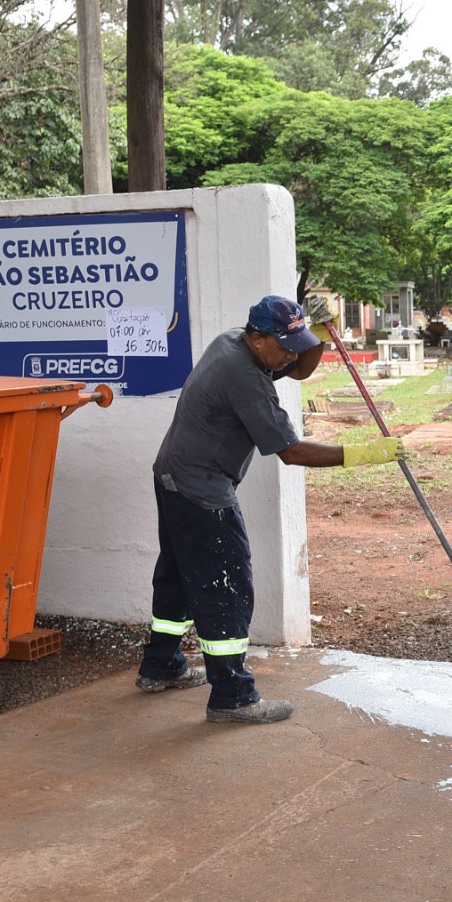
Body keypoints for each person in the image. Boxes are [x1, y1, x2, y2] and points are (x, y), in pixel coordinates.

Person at [135, 295, 403, 724]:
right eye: (286, 345)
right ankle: (232, 697)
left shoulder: (235, 342)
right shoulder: (244, 377)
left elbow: (298, 368)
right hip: (200, 490)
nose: (292, 355)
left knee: (177, 575)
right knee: (226, 587)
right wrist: (362, 454)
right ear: (258, 339)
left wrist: (318, 336)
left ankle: (160, 665)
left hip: (172, 474)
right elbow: (291, 452)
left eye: (297, 344)